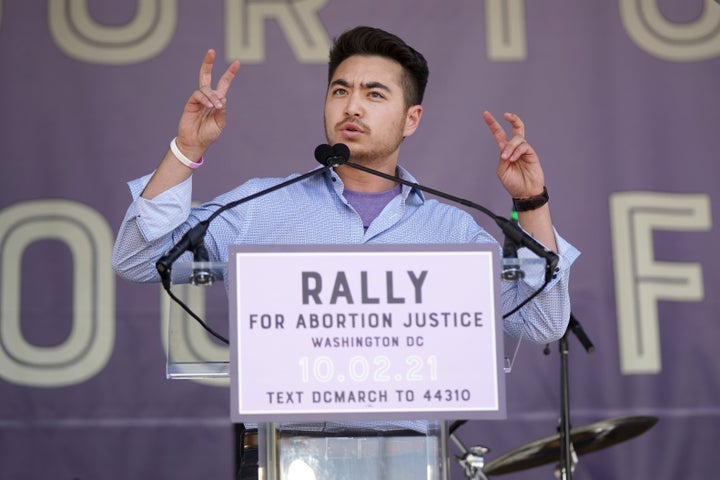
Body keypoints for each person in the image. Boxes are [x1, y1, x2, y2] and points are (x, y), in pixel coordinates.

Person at [112, 25, 579, 480]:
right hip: (279, 457)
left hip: (409, 462)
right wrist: (186, 150)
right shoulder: (258, 207)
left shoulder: (450, 230)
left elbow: (543, 322)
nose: (352, 105)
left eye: (374, 94)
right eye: (340, 91)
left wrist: (530, 203)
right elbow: (137, 257)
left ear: (411, 119)